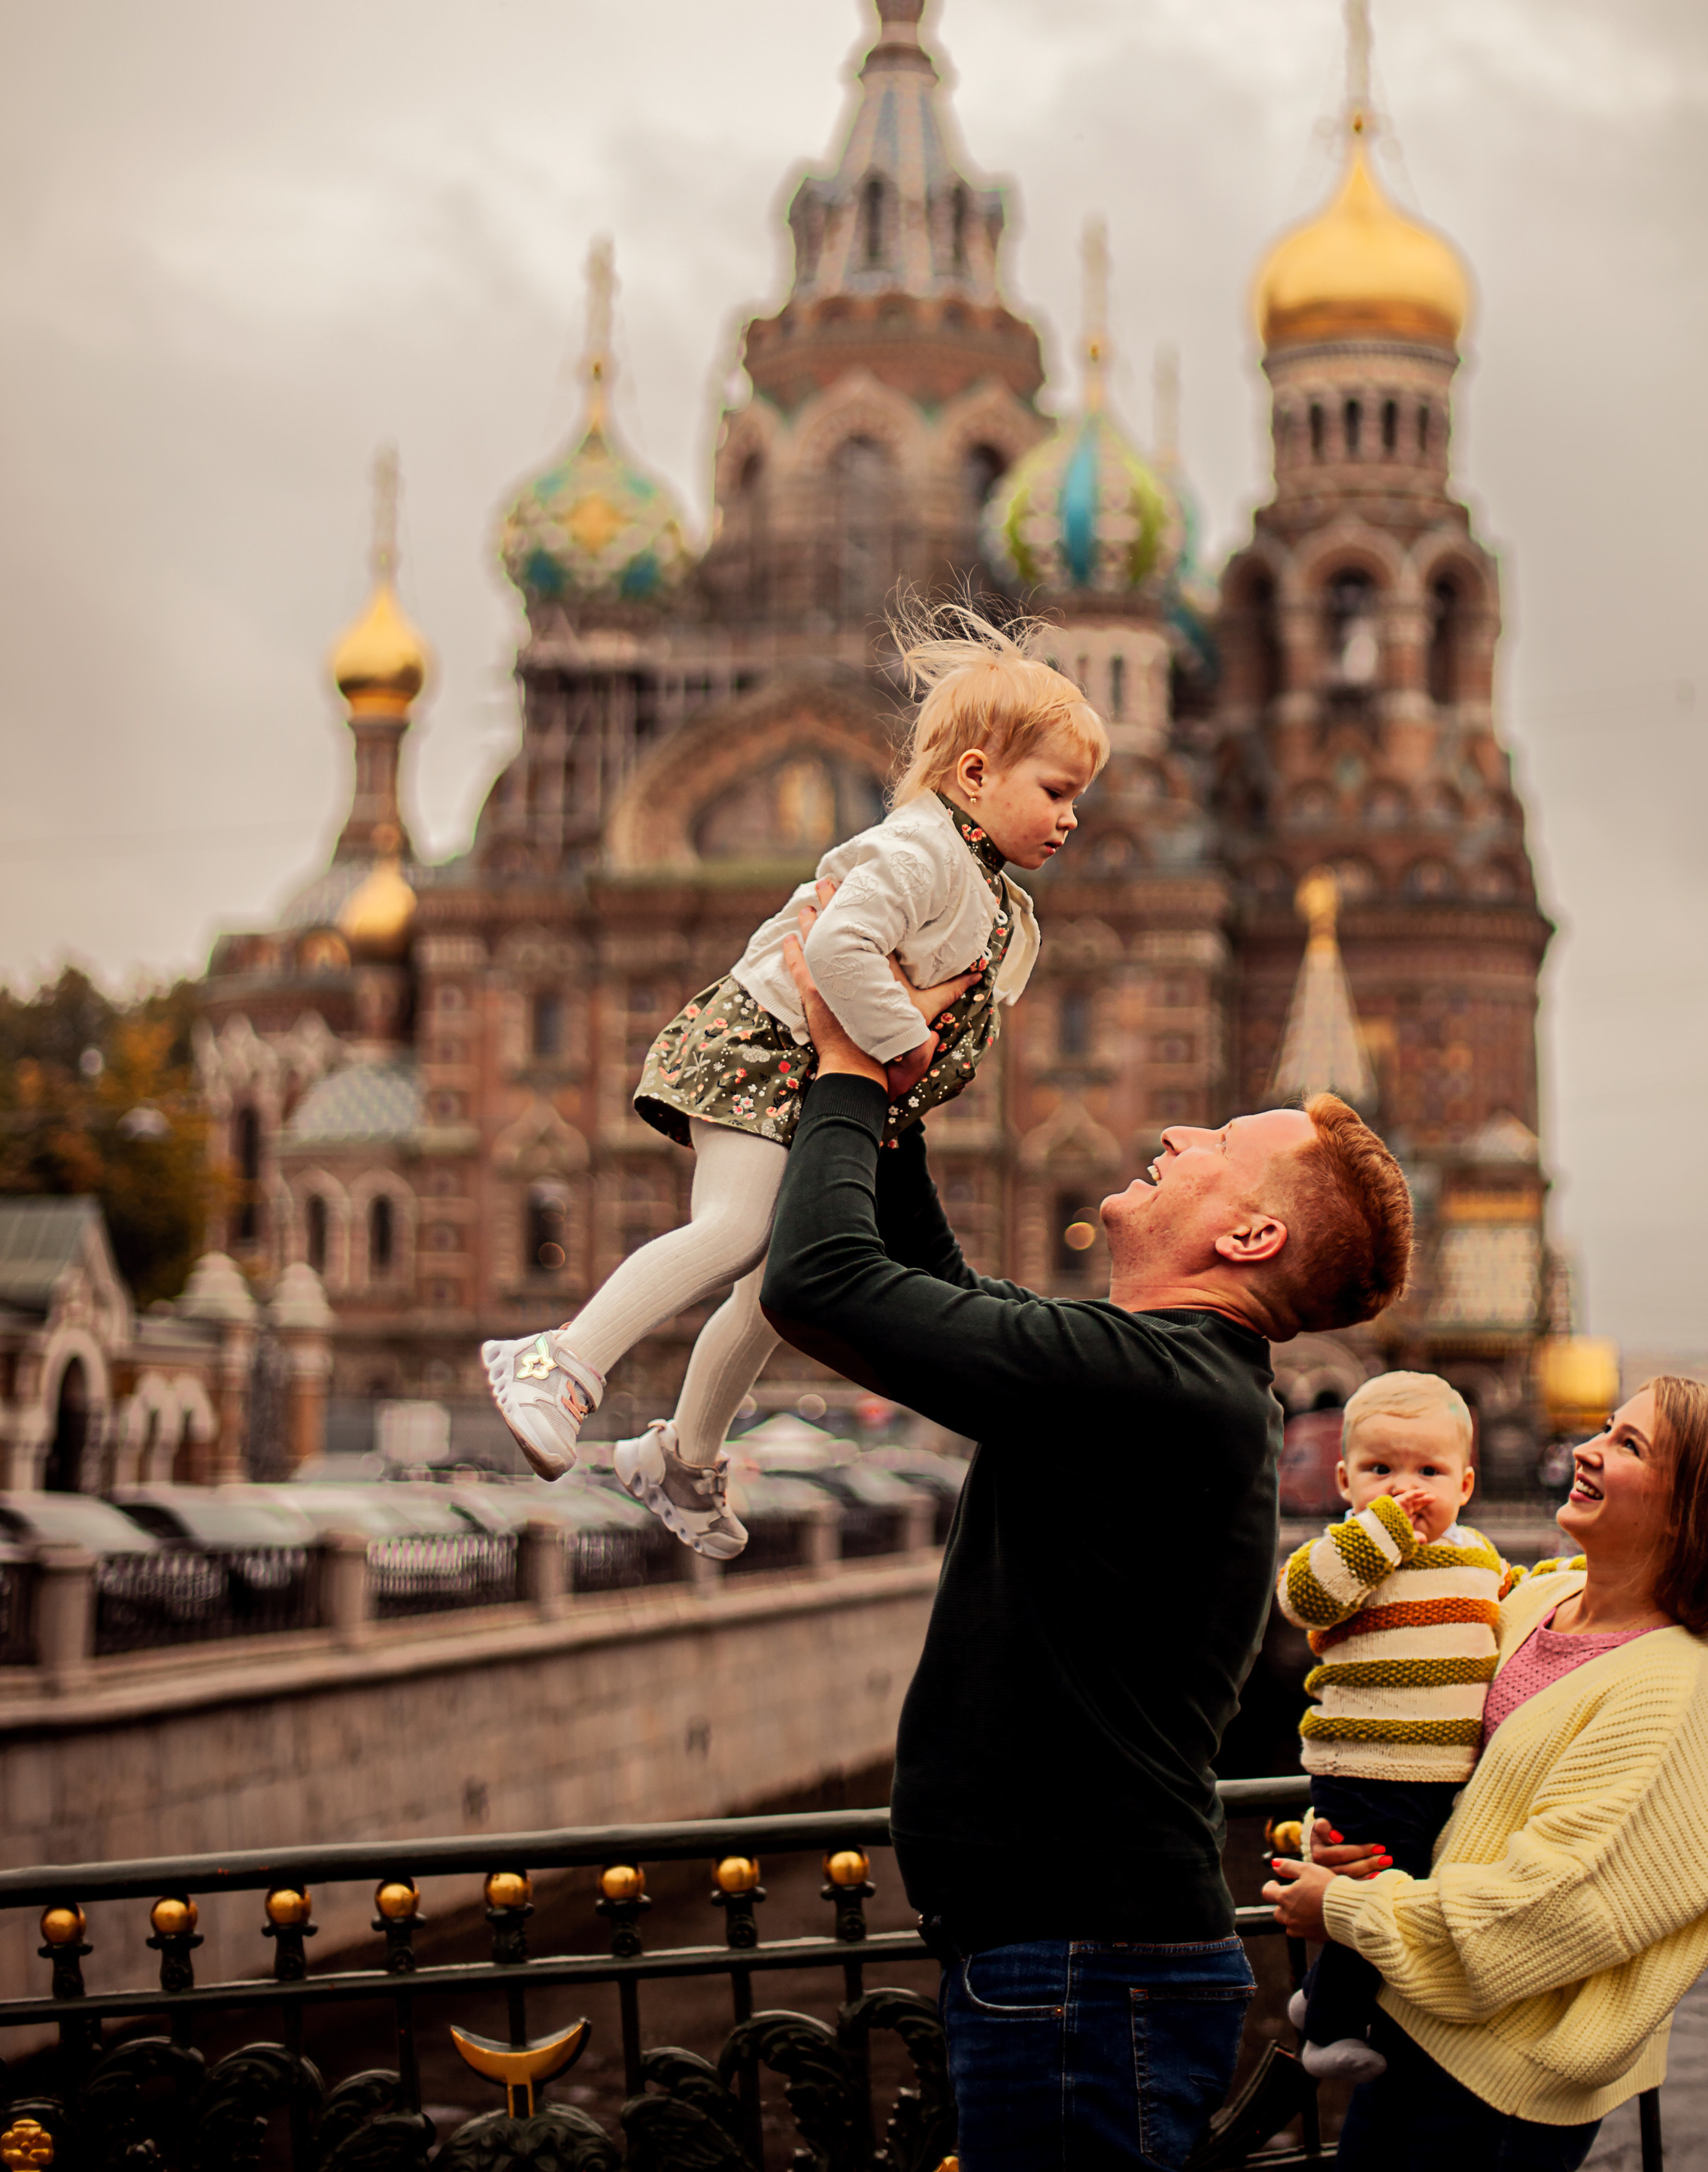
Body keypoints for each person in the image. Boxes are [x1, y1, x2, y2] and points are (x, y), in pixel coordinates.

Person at [760, 922, 1414, 2172]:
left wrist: (844, 1070)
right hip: (1076, 1959)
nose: (1174, 1137)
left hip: (1081, 1970)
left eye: (1215, 1149)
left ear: (1251, 1240)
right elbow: (930, 1283)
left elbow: (825, 1284)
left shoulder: (1162, 1383)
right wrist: (897, 1087)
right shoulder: (1163, 1375)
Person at [479, 605, 1106, 1552]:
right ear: (974, 775)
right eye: (1056, 791)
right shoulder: (922, 849)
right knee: (733, 1233)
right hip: (762, 1051)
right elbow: (841, 945)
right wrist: (908, 1048)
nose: (1069, 818)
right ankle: (558, 1359)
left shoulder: (983, 883)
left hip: (805, 1077)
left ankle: (680, 1460)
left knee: (778, 1285)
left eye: (1078, 800)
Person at [1266, 1376, 1708, 2168]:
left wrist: (1347, 1909)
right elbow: (1418, 1747)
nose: (1585, 1448)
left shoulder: (1667, 1684)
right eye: (1607, 1428)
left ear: (1688, 1510)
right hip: (1415, 2021)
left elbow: (1551, 1906)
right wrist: (1350, 1842)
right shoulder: (1531, 1597)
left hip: (1498, 2080)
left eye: (1628, 1445)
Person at [1277, 1370, 1512, 2083]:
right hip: (1364, 1766)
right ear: (1346, 1480)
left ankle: (1318, 1997)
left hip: (1440, 1773)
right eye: (1381, 1470)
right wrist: (1376, 1534)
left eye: (1427, 1471)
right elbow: (1303, 1598)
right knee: (1376, 1894)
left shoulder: (1475, 1553)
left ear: (1464, 1486)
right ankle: (1327, 2032)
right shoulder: (1353, 1551)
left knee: (1402, 1890)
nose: (1404, 1488)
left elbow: (1506, 1603)